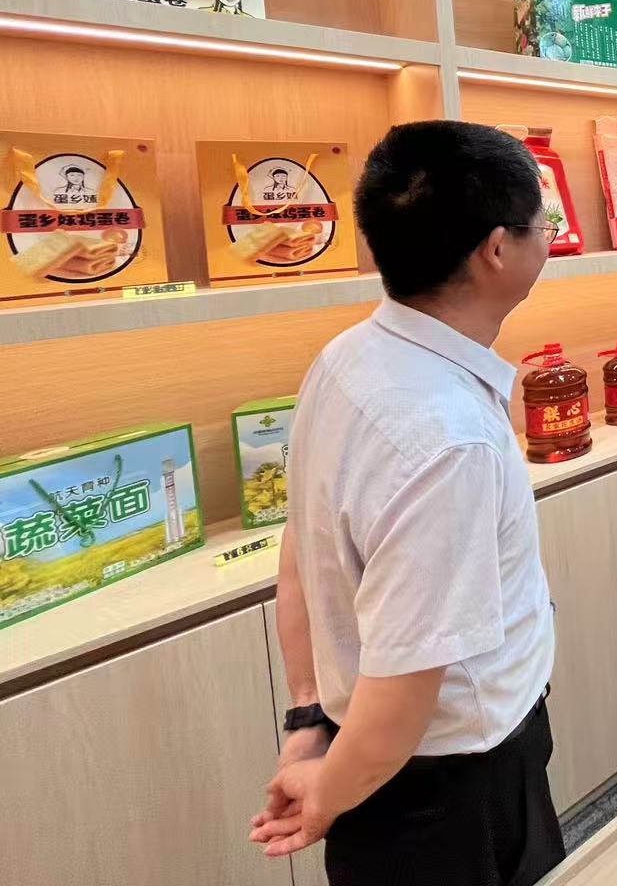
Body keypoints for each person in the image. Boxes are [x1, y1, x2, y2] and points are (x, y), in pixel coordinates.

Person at [249, 120, 565, 885]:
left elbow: (303, 550)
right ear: (497, 250)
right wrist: (327, 794)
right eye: (544, 224)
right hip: (448, 788)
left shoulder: (347, 358)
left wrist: (309, 718)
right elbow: (405, 690)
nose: (549, 238)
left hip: (370, 757)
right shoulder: (447, 441)